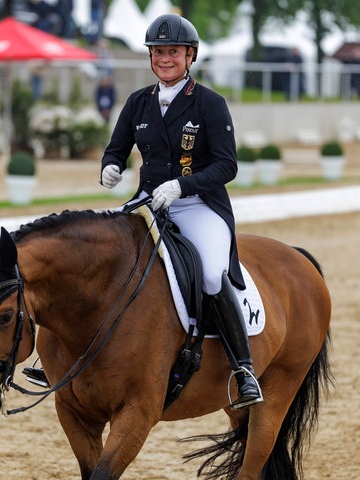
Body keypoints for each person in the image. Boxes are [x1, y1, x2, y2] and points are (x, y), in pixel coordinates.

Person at [99, 14, 263, 409]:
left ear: (189, 55)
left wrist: (182, 185)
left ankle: (243, 370)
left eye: (172, 51)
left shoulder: (209, 103)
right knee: (102, 257)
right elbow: (117, 147)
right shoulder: (138, 102)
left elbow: (227, 166)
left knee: (209, 273)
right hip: (148, 204)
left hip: (198, 205)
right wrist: (111, 165)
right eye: (158, 52)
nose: (164, 58)